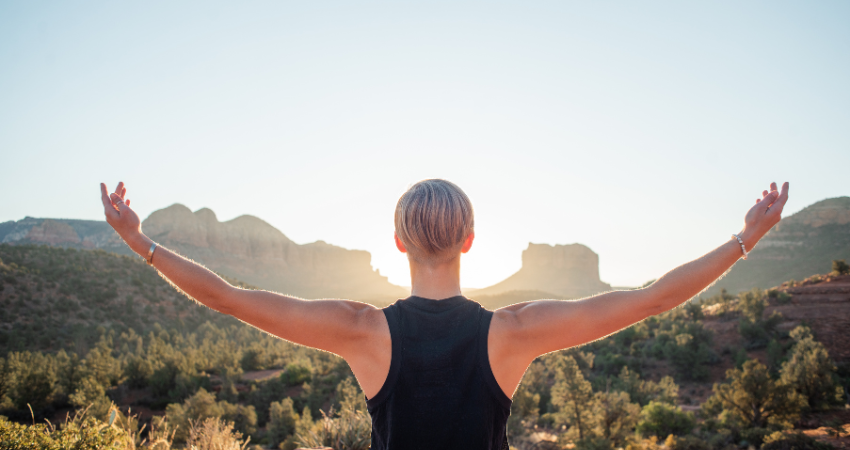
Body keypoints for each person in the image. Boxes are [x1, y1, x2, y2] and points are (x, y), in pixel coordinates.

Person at [99, 179, 790, 450]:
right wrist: (744, 240)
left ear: (397, 242)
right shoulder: (511, 334)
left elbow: (228, 297)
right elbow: (653, 298)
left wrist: (142, 243)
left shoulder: (363, 332)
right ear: (469, 240)